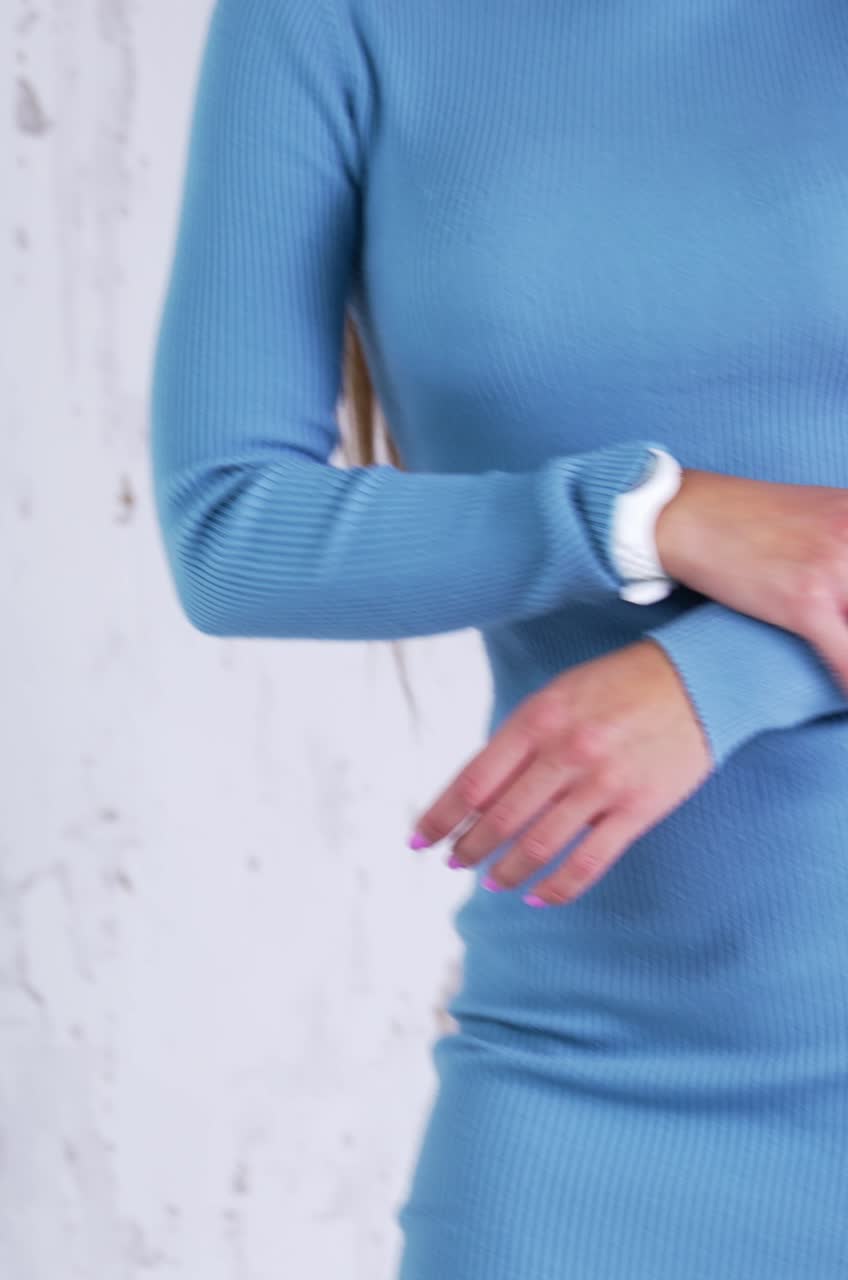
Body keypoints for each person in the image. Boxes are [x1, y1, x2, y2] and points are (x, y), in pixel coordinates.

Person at [148, 0, 848, 1276]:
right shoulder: (328, 23)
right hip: (590, 1082)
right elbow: (232, 532)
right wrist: (647, 515)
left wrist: (716, 681)